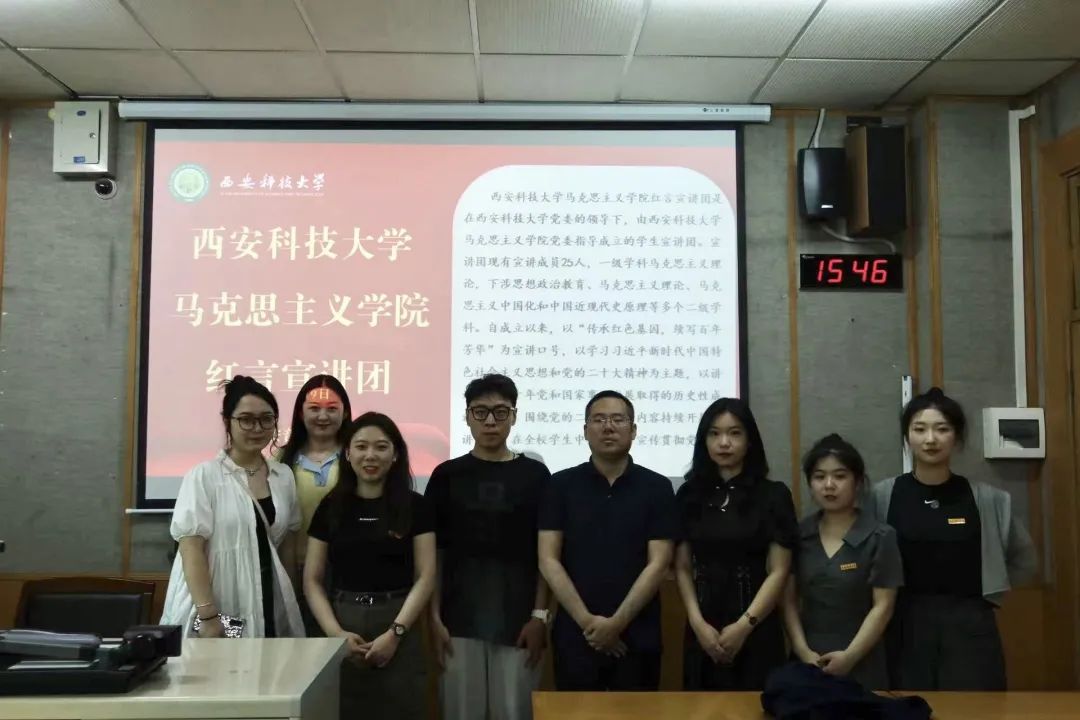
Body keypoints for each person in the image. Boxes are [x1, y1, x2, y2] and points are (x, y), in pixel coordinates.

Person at [870, 387, 1037, 691]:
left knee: (975, 708)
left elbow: (1024, 560)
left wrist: (990, 584)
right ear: (907, 436)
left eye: (942, 429)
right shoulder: (882, 496)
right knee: (907, 705)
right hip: (902, 623)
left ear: (957, 437)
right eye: (919, 429)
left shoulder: (987, 498)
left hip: (970, 624)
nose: (930, 439)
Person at [427, 374, 552, 720]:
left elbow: (546, 555)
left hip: (520, 618)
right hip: (456, 619)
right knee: (460, 712)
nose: (491, 421)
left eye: (501, 411)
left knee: (515, 711)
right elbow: (435, 554)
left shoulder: (536, 476)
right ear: (467, 417)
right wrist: (433, 618)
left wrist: (540, 616)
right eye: (480, 412)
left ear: (514, 416)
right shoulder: (446, 476)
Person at [538, 390, 677, 691]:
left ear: (633, 430)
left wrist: (616, 624)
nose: (608, 427)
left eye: (618, 419)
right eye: (599, 420)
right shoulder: (560, 485)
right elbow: (548, 559)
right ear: (585, 430)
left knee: (637, 711)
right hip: (576, 632)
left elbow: (659, 563)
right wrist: (589, 623)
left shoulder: (657, 488)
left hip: (637, 632)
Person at [304, 412, 436, 720]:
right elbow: (312, 579)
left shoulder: (416, 506)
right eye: (361, 446)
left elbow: (427, 575)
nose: (370, 455)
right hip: (343, 620)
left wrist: (396, 632)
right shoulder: (331, 507)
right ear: (348, 454)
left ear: (396, 454)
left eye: (381, 446)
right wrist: (335, 633)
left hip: (400, 620)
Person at [161, 375, 304, 638]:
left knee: (267, 662)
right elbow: (191, 549)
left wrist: (291, 600)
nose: (257, 428)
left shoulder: (283, 476)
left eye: (266, 419)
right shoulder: (204, 476)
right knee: (221, 663)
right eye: (246, 419)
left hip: (270, 598)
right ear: (228, 421)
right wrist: (208, 616)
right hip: (216, 602)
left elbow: (287, 547)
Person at [674, 397, 797, 690]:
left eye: (734, 433)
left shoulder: (773, 495)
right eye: (714, 434)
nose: (724, 442)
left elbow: (779, 571)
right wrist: (697, 623)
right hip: (703, 627)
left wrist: (744, 626)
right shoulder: (689, 494)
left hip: (756, 624)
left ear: (750, 440)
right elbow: (682, 567)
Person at [782, 434, 903, 689]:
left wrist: (850, 656)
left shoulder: (880, 536)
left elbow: (883, 606)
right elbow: (788, 601)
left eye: (839, 476)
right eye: (819, 477)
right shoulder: (798, 535)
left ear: (857, 482)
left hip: (863, 660)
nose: (829, 485)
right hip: (807, 660)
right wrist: (803, 652)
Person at [278, 374, 352, 634]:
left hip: (346, 571)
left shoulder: (357, 455)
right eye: (314, 408)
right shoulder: (280, 460)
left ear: (345, 413)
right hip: (293, 567)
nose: (323, 416)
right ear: (300, 413)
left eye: (332, 409)